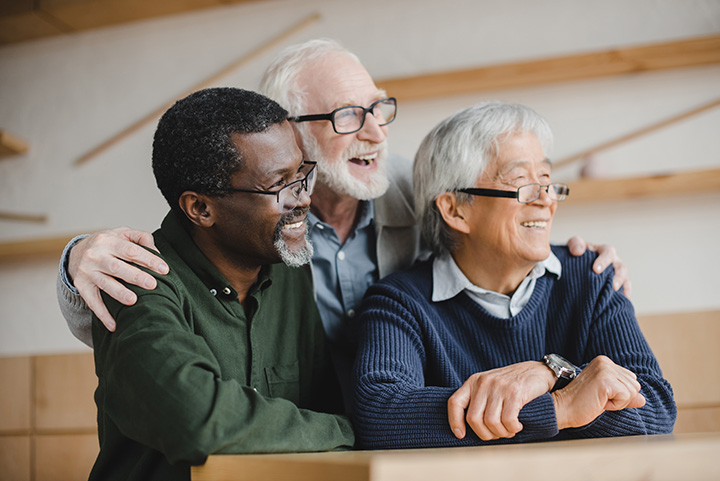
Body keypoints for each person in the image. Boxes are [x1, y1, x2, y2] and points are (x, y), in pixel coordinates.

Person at [57, 39, 630, 401]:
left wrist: (569, 258)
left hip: (419, 421)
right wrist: (76, 257)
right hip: (316, 428)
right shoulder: (250, 217)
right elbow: (172, 268)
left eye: (379, 108)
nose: (377, 133)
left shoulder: (415, 186)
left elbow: (497, 226)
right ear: (288, 132)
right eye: (349, 116)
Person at [352, 101, 675, 449]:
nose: (545, 200)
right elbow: (380, 415)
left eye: (547, 180)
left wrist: (550, 372)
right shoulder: (400, 301)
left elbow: (655, 408)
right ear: (455, 209)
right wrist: (560, 407)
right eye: (520, 181)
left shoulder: (591, 278)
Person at [87, 88, 353, 481]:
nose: (302, 199)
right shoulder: (136, 280)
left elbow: (321, 402)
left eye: (301, 174)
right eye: (279, 184)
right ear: (200, 209)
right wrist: (348, 431)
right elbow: (196, 418)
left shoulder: (289, 267)